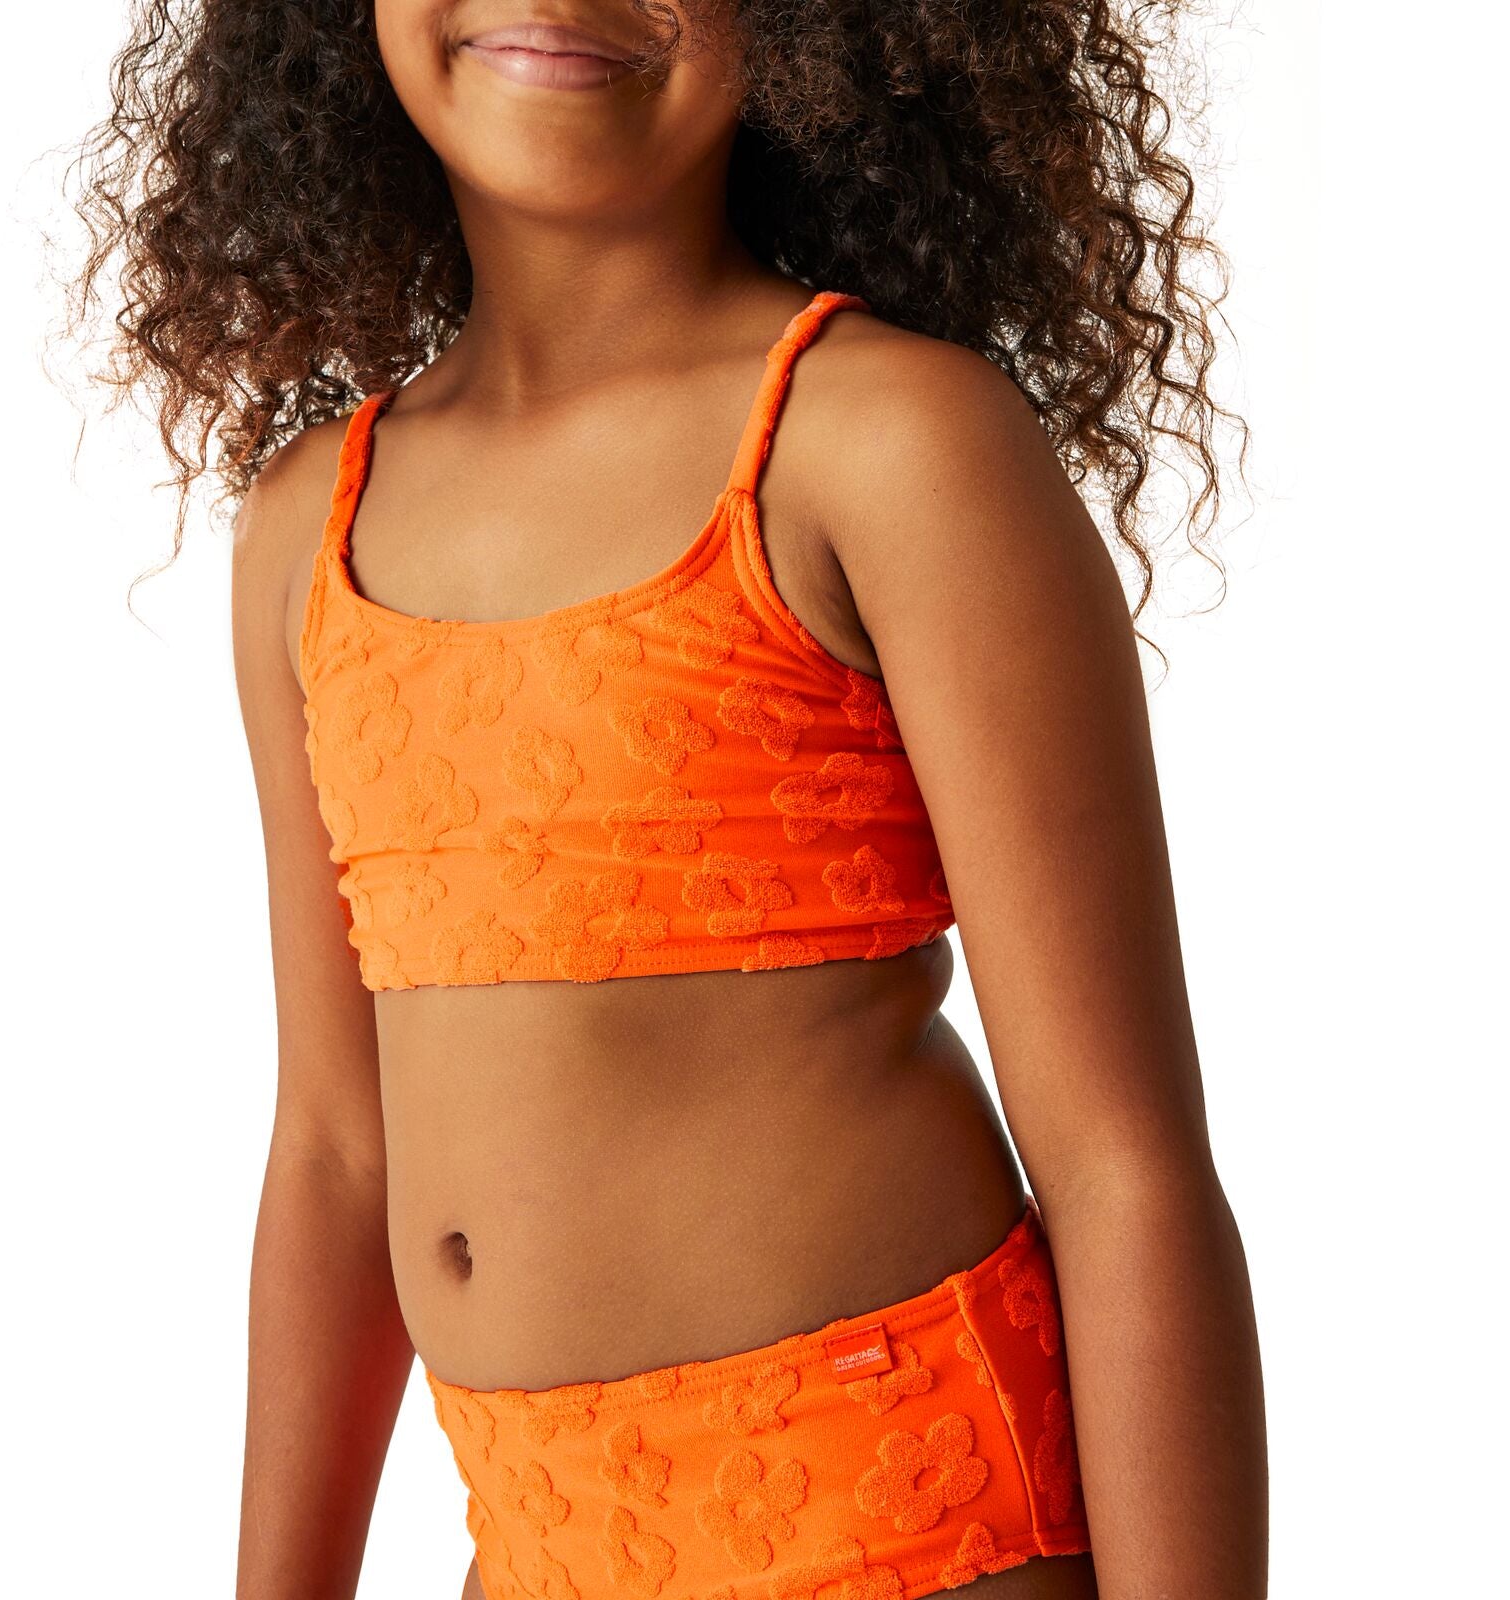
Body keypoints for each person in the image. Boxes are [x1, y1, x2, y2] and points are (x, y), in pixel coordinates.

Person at [67, 2, 1267, 1596]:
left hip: (898, 1526)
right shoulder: (308, 526)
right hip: (536, 1545)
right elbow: (340, 1153)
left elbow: (1122, 1166)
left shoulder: (882, 442)